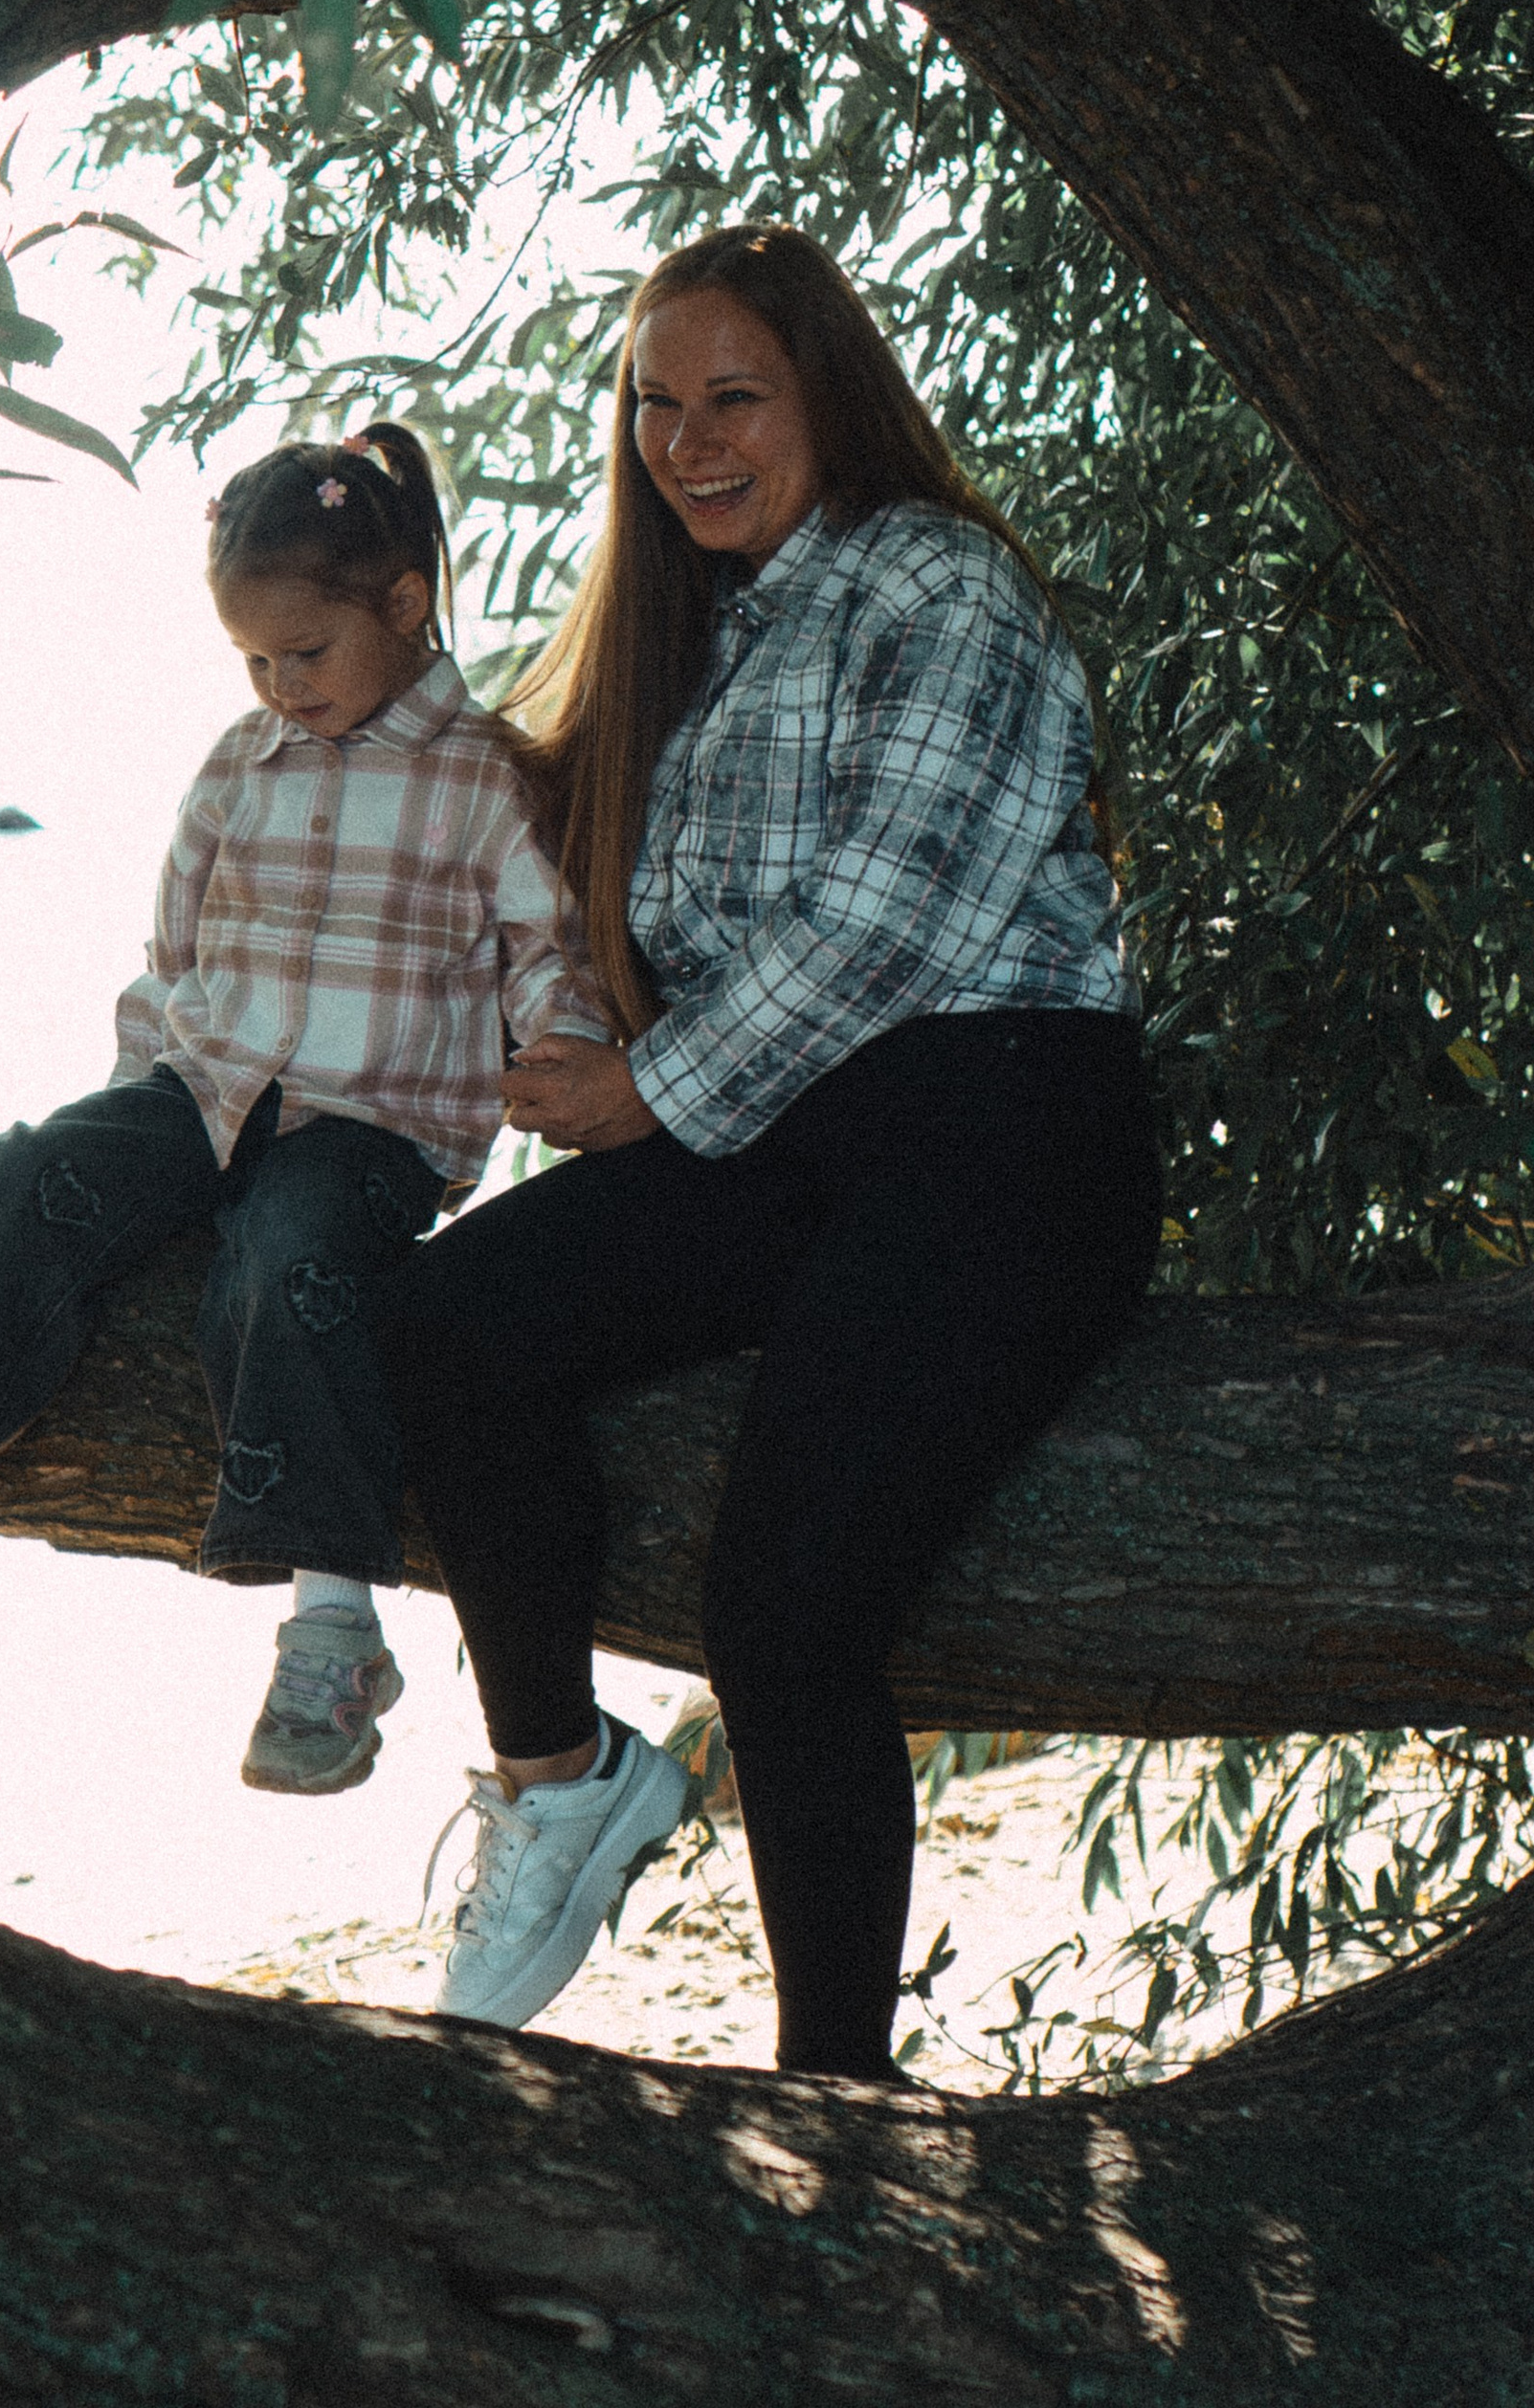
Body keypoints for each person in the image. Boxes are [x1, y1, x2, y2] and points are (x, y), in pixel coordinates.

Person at [375, 227, 1159, 2070]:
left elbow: (890, 917)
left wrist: (648, 1097)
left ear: (828, 393)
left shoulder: (934, 585)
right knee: (446, 1322)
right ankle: (562, 1780)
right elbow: (530, 851)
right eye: (654, 403)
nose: (687, 439)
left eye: (735, 396)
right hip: (791, 1132)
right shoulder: (695, 637)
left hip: (1002, 1124)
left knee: (785, 1602)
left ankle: (837, 2101)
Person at [0, 422, 607, 1798]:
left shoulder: (485, 776)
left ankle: (333, 1631)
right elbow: (176, 949)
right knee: (36, 1170)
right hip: (202, 1088)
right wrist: (145, 1098)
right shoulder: (237, 764)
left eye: (304, 653)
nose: (279, 684)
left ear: (404, 605)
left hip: (370, 1126)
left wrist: (564, 1053)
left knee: (294, 1266)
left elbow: (552, 953)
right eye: (254, 659)